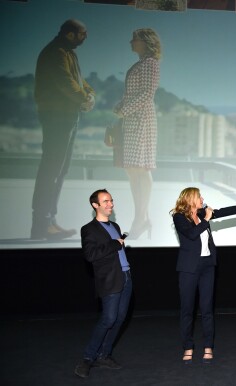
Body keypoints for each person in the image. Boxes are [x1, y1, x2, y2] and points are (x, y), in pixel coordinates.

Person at [170, 187, 236, 364]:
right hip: (188, 268)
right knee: (187, 310)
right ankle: (188, 347)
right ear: (190, 198)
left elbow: (223, 212)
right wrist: (206, 218)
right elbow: (191, 234)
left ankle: (208, 346)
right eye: (199, 196)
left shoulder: (202, 213)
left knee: (207, 309)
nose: (202, 199)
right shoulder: (179, 217)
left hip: (207, 266)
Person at [31, 19, 95, 240]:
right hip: (57, 117)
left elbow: (78, 80)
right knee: (52, 169)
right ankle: (41, 223)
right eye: (82, 33)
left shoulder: (68, 52)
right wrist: (83, 98)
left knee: (59, 170)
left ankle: (49, 221)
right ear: (70, 34)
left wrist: (89, 94)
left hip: (67, 116)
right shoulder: (56, 53)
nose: (86, 37)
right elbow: (65, 82)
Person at [75, 189, 131, 378]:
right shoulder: (89, 229)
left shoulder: (114, 225)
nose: (110, 204)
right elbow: (90, 255)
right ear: (95, 205)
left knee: (119, 318)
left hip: (126, 276)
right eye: (105, 201)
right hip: (109, 280)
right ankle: (88, 358)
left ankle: (104, 355)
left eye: (111, 201)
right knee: (108, 319)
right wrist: (115, 244)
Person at [113, 28, 161, 239]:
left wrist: (123, 109)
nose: (131, 41)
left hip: (141, 120)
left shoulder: (150, 63)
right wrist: (121, 106)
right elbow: (135, 93)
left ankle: (139, 220)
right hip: (133, 119)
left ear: (146, 42)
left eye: (135, 39)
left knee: (141, 168)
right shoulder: (142, 63)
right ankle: (144, 218)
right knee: (133, 169)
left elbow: (147, 94)